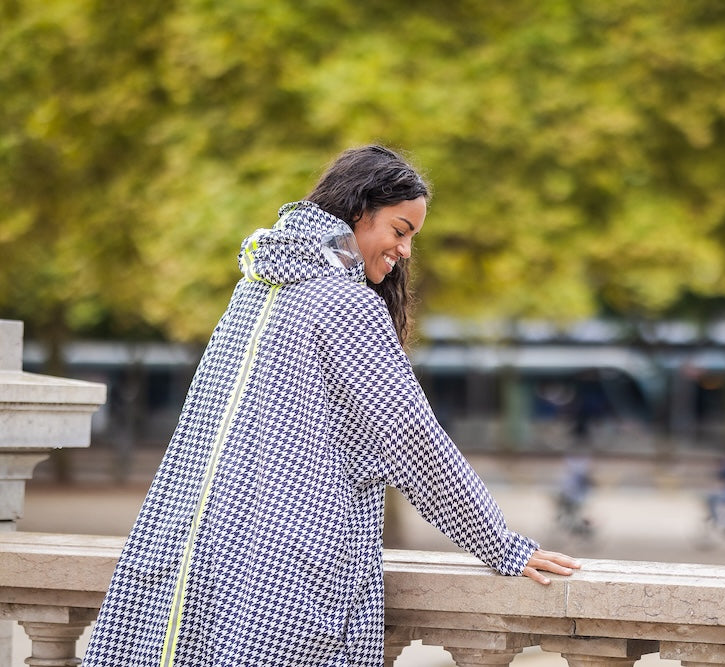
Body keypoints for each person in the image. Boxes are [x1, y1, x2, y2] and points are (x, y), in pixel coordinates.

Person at [83, 145, 579, 667]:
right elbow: (413, 441)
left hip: (196, 561)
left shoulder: (257, 288)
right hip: (288, 578)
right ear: (359, 210)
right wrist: (501, 544)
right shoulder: (344, 303)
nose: (406, 250)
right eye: (401, 230)